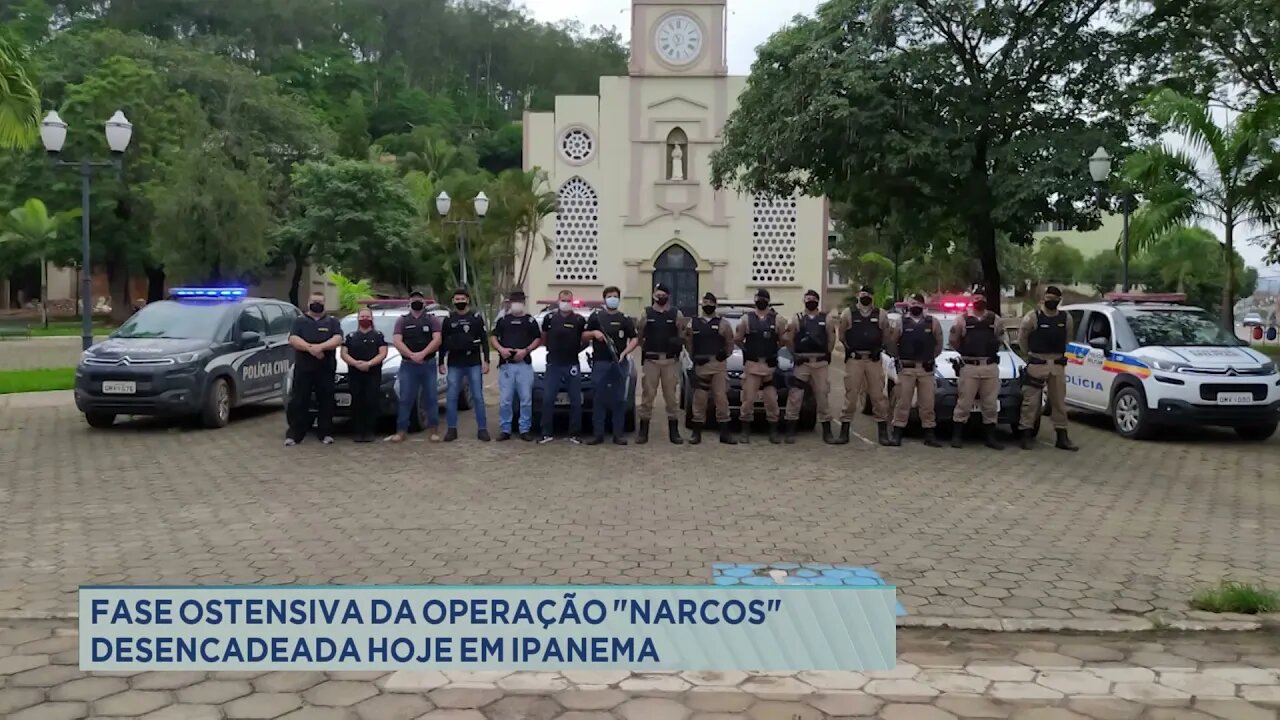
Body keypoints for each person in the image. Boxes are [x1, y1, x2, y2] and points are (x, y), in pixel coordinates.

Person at [1017, 285, 1079, 451]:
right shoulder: (1032, 317)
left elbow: (1067, 339)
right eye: (1049, 299)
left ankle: (1062, 436)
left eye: (1055, 300)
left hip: (1057, 364)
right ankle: (1026, 434)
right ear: (1044, 299)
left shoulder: (1066, 318)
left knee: (1059, 401)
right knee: (1031, 401)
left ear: (1059, 300)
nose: (1052, 302)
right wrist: (1030, 355)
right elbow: (1022, 340)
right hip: (1038, 363)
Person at [950, 286, 1006, 450]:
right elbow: (954, 341)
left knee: (990, 404)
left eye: (981, 298)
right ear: (971, 301)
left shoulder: (995, 319)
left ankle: (990, 437)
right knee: (964, 403)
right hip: (969, 366)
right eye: (976, 298)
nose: (978, 301)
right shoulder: (962, 320)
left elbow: (1000, 338)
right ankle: (957, 436)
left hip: (989, 366)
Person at [285, 291, 344, 446]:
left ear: (324, 303)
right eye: (314, 301)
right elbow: (293, 339)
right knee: (299, 401)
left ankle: (325, 433)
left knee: (325, 401)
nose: (316, 303)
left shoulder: (332, 322)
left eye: (319, 301)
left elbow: (337, 338)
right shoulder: (300, 321)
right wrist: (310, 348)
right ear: (308, 302)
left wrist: (320, 347)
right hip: (304, 368)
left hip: (325, 368)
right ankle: (295, 435)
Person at [837, 285, 892, 445]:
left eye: (868, 294)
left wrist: (879, 349)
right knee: (851, 395)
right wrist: (849, 349)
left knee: (877, 396)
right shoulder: (849, 313)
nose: (865, 296)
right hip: (855, 359)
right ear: (857, 295)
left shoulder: (881, 314)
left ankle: (882, 432)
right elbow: (842, 335)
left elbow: (886, 335)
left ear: (872, 296)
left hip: (873, 360)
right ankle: (844, 431)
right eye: (863, 294)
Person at [585, 286, 639, 445]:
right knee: (599, 400)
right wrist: (594, 334)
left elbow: (635, 339)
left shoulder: (624, 319)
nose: (612, 299)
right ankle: (598, 434)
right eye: (609, 296)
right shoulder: (596, 318)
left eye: (615, 296)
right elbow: (584, 334)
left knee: (619, 400)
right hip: (600, 363)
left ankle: (618, 434)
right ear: (604, 299)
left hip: (618, 363)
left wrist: (624, 353)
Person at [386, 291, 442, 443]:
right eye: (414, 299)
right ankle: (401, 432)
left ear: (424, 303)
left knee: (430, 398)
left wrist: (423, 354)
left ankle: (434, 431)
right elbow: (397, 340)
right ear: (409, 302)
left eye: (419, 299)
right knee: (405, 399)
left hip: (428, 364)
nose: (417, 301)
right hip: (408, 365)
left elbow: (437, 340)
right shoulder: (402, 321)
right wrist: (411, 355)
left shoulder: (432, 320)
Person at [635, 283, 687, 444]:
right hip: (652, 360)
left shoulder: (676, 313)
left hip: (670, 361)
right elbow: (640, 335)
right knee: (647, 396)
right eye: (658, 293)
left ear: (668, 296)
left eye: (664, 293)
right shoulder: (646, 313)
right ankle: (643, 432)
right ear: (653, 295)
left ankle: (674, 432)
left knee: (671, 397)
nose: (661, 296)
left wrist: (678, 342)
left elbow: (683, 334)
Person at [890, 293, 944, 447]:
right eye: (913, 303)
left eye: (918, 303)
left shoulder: (932, 322)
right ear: (909, 305)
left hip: (926, 369)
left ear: (923, 305)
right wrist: (898, 357)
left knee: (927, 403)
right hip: (907, 368)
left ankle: (929, 434)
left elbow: (939, 344)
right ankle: (897, 433)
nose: (916, 306)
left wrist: (930, 358)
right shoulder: (902, 322)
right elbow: (893, 343)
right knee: (903, 401)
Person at [785, 288, 838, 444]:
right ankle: (790, 429)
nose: (810, 301)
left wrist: (828, 353)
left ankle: (827, 432)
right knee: (795, 396)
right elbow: (789, 338)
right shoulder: (797, 318)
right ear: (804, 301)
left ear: (818, 300)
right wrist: (794, 354)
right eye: (807, 298)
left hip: (820, 363)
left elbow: (831, 338)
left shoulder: (826, 318)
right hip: (802, 363)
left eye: (813, 298)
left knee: (822, 395)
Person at [734, 288, 786, 444]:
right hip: (752, 366)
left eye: (763, 298)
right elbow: (738, 339)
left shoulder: (778, 319)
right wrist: (747, 352)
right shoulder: (746, 319)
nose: (760, 301)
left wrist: (774, 353)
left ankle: (773, 431)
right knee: (748, 400)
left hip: (769, 367)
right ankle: (745, 432)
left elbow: (783, 339)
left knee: (771, 401)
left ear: (768, 301)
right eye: (758, 298)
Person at [439, 288, 490, 442]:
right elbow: (443, 342)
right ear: (453, 301)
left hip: (473, 362)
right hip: (455, 363)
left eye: (462, 299)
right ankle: (451, 430)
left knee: (478, 397)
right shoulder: (449, 319)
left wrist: (486, 360)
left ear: (467, 300)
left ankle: (482, 429)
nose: (460, 302)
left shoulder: (476, 318)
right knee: (452, 397)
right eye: (457, 299)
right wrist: (441, 361)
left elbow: (484, 340)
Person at [686, 292, 737, 445]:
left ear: (715, 305)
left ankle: (725, 432)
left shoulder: (723, 323)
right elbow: (688, 342)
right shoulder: (692, 323)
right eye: (705, 302)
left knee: (721, 398)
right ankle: (696, 433)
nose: (707, 304)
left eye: (710, 302)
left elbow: (730, 342)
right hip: (701, 365)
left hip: (718, 366)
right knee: (699, 399)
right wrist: (693, 357)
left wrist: (724, 355)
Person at [491, 291, 541, 441]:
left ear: (524, 302)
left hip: (523, 365)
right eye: (514, 301)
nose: (517, 303)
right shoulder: (503, 320)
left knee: (526, 399)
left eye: (519, 300)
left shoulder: (530, 321)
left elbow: (537, 339)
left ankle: (524, 429)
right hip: (506, 366)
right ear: (510, 303)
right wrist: (501, 350)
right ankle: (505, 429)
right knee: (506, 400)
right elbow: (493, 337)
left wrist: (525, 351)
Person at [540, 289, 589, 444]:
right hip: (553, 364)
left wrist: (576, 349)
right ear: (558, 300)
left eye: (568, 300)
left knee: (575, 400)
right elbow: (543, 337)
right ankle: (546, 432)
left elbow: (585, 339)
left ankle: (574, 433)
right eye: (563, 300)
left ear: (572, 301)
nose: (565, 303)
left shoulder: (579, 320)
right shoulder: (549, 318)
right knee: (548, 399)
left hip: (572, 364)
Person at [340, 307, 388, 443]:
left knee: (371, 402)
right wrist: (355, 364)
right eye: (362, 317)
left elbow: (383, 353)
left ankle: (369, 431)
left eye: (367, 317)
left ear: (372, 319)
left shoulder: (378, 336)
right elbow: (343, 353)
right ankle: (357, 431)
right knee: (357, 402)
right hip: (355, 374)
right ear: (358, 318)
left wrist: (369, 364)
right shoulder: (350, 337)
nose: (364, 319)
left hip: (372, 373)